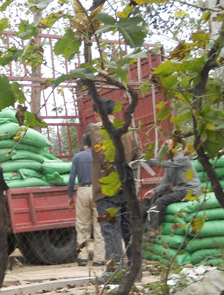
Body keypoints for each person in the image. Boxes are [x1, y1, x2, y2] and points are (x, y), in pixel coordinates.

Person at [90, 98, 142, 273]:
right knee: (128, 229)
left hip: (107, 189)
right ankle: (136, 270)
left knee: (110, 230)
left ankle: (115, 273)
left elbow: (104, 156)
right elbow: (138, 156)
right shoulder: (127, 128)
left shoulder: (98, 128)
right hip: (127, 188)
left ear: (96, 113)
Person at [144, 139, 201, 237]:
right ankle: (143, 225)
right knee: (154, 197)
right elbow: (165, 184)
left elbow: (164, 164)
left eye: (168, 147)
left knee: (161, 201)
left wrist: (147, 159)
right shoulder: (169, 163)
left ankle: (153, 231)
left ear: (175, 148)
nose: (165, 150)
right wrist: (154, 191)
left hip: (189, 190)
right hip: (178, 190)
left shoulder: (182, 158)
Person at [68, 133, 105, 266]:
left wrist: (70, 196)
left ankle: (82, 257)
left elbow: (72, 178)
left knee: (82, 226)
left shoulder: (77, 157)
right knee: (99, 225)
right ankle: (99, 258)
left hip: (83, 190)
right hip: (98, 190)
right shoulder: (100, 155)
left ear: (84, 144)